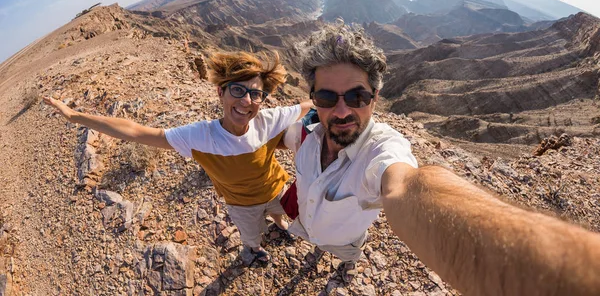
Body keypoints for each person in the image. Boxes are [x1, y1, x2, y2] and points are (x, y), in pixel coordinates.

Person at [284, 23, 600, 294]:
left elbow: (407, 187)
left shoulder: (382, 151)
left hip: (346, 241)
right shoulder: (303, 132)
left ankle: (347, 263)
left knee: (347, 254)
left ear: (375, 98)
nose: (341, 112)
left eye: (357, 97)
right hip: (308, 227)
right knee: (317, 242)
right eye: (327, 97)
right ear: (313, 98)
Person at [44, 51, 313, 263]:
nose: (247, 101)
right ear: (221, 92)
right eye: (238, 91)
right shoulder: (200, 137)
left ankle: (278, 224)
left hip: (277, 190)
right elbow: (135, 131)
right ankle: (252, 251)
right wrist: (74, 116)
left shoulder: (268, 119)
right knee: (251, 235)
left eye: (255, 94)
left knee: (282, 216)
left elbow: (308, 106)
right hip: (242, 205)